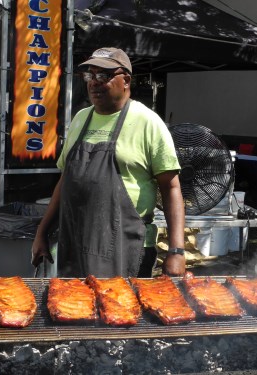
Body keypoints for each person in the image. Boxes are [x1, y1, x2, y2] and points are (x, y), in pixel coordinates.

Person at [31, 47, 185, 278]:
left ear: (126, 80)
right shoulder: (80, 118)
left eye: (103, 75)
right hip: (75, 243)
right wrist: (42, 232)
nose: (94, 82)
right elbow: (66, 180)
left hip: (125, 246)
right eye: (89, 75)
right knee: (72, 311)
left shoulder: (148, 123)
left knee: (120, 312)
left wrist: (177, 251)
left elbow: (171, 188)